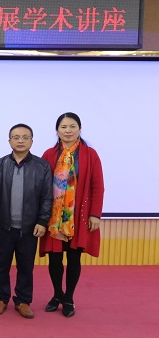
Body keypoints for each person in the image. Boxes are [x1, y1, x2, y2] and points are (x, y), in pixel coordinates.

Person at [39, 112, 104, 318]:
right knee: (55, 258)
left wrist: (95, 214)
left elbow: (97, 186)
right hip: (54, 216)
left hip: (78, 216)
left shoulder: (90, 154)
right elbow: (40, 186)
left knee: (74, 258)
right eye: (64, 127)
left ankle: (69, 298)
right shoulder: (49, 154)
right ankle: (57, 294)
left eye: (72, 126)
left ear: (79, 129)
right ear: (57, 130)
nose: (68, 130)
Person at [0, 124, 53, 319]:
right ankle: (0, 298)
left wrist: (42, 221)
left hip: (30, 228)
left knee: (26, 266)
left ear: (32, 141)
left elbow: (47, 197)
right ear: (9, 141)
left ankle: (23, 300)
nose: (20, 140)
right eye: (16, 137)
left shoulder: (42, 166)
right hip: (4, 226)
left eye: (25, 137)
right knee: (1, 264)